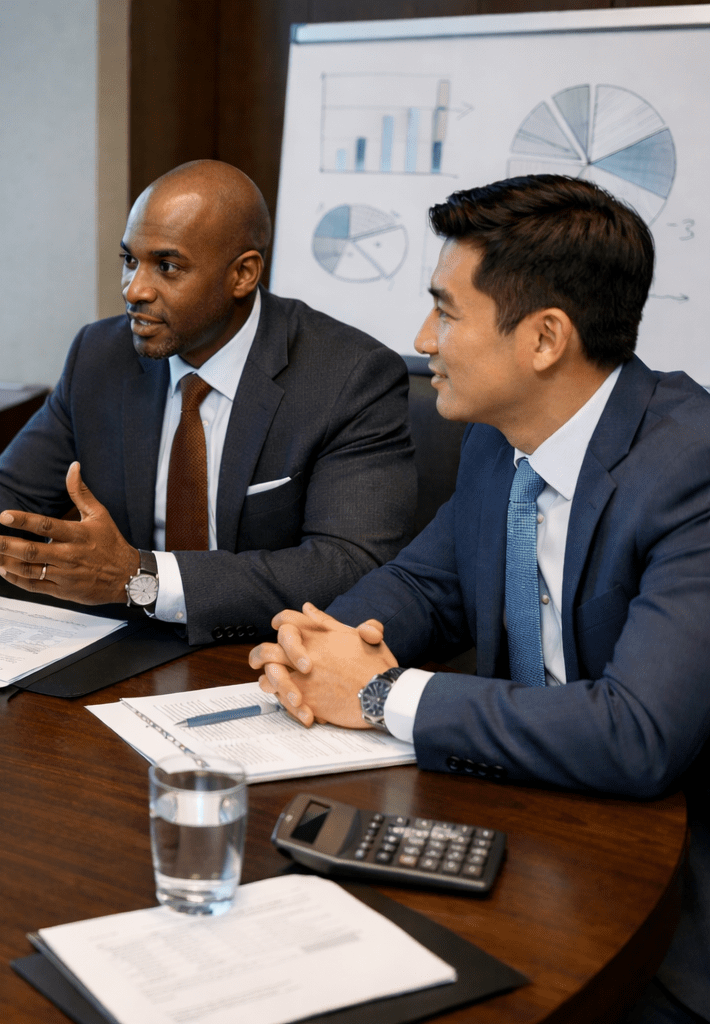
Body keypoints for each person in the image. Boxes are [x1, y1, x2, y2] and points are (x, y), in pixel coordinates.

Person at [248, 175, 710, 1024]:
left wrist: (380, 694)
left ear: (545, 338)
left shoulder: (692, 468)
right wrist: (320, 644)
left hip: (672, 888)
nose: (422, 339)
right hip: (527, 820)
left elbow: (639, 734)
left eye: (446, 312)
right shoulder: (501, 441)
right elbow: (427, 584)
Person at [0, 160, 415, 644]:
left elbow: (349, 564)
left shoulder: (349, 377)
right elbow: (14, 489)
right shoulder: (99, 356)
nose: (134, 289)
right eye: (129, 260)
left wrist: (142, 577)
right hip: (123, 648)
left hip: (264, 653)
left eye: (166, 266)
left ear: (243, 274)